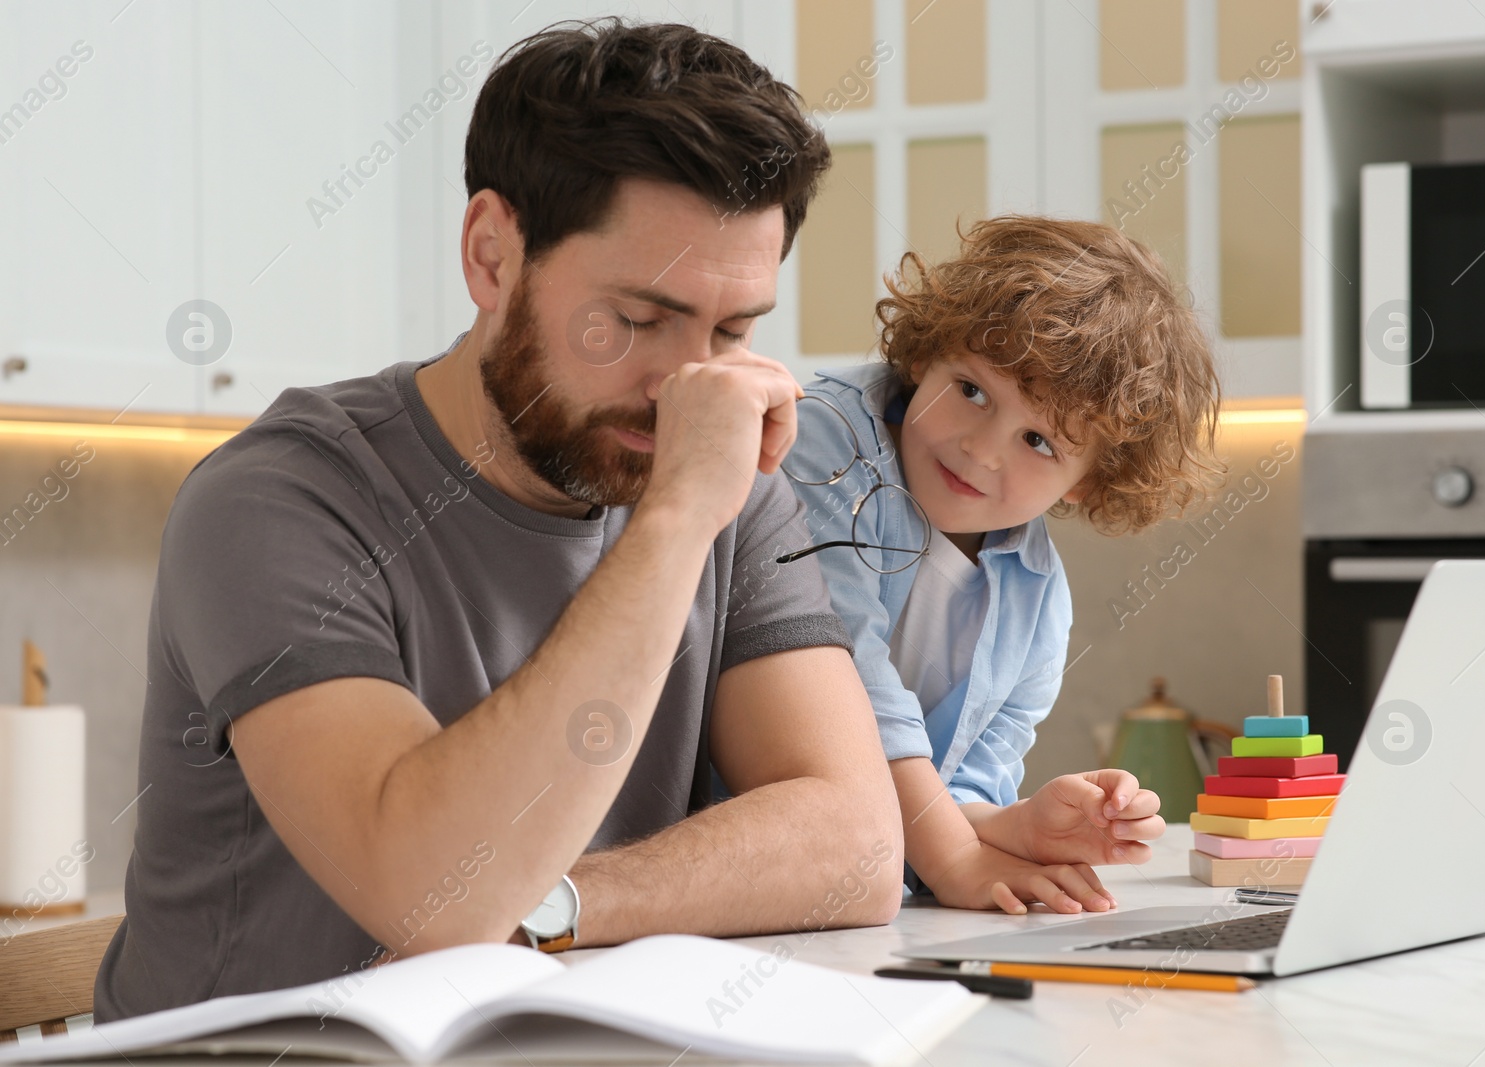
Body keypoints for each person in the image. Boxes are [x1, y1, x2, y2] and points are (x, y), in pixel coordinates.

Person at [94, 19, 904, 1020]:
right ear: (491, 255)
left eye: (731, 330)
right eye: (640, 320)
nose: (689, 383)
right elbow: (432, 893)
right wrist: (676, 517)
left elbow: (856, 847)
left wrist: (560, 903)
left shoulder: (725, 485)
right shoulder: (278, 498)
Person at [785, 216, 1225, 914]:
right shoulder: (823, 440)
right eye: (972, 390)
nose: (983, 450)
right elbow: (844, 682)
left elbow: (956, 791)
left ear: (1086, 480)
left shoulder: (1039, 600)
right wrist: (959, 857)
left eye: (1039, 441)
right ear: (926, 352)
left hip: (849, 903)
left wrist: (1018, 826)